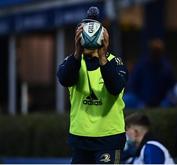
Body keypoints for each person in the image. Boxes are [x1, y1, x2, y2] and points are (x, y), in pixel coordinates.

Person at [57, 6, 128, 164]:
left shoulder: (115, 63)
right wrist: (76, 53)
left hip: (109, 139)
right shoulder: (73, 62)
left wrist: (102, 56)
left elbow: (115, 87)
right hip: (80, 140)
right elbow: (64, 79)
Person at [125, 38, 175, 108]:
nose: (156, 54)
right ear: (150, 51)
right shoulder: (142, 65)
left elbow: (171, 88)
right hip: (141, 99)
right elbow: (134, 85)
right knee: (126, 99)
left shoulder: (166, 68)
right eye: (154, 51)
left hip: (161, 102)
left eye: (158, 51)